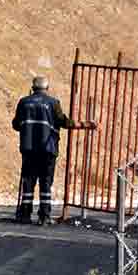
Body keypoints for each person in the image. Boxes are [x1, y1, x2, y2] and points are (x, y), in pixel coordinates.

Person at [12, 76, 93, 225]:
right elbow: (64, 122)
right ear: (47, 88)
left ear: (33, 88)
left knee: (28, 182)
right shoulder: (53, 103)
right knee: (45, 182)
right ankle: (44, 216)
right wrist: (85, 124)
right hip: (47, 149)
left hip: (28, 149)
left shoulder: (23, 102)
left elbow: (16, 125)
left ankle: (25, 214)